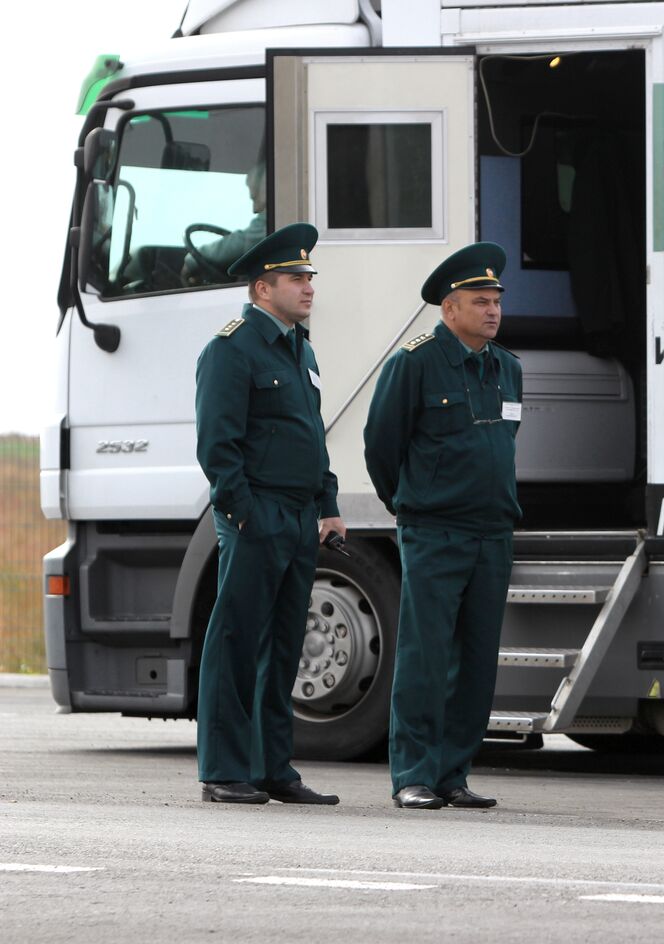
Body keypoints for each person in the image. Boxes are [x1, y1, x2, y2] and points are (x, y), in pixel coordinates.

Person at [363, 242, 523, 810]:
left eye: (496, 301)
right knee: (425, 657)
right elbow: (381, 444)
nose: (493, 310)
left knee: (477, 661)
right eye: (480, 301)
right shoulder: (415, 362)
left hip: (492, 533)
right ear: (449, 308)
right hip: (435, 531)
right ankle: (413, 774)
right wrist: (409, 505)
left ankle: (453, 774)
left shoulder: (507, 367)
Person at [193, 222, 346, 805]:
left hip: (298, 517)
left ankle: (272, 768)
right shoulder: (231, 350)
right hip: (255, 518)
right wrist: (245, 514)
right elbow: (218, 447)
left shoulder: (299, 348)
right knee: (235, 644)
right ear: (263, 289)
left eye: (309, 277)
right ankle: (224, 770)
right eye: (295, 278)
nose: (308, 287)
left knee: (283, 647)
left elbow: (312, 437)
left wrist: (328, 505)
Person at [182, 162, 268, 284]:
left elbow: (243, 241)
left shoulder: (271, 220)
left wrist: (192, 259)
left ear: (266, 192)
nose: (254, 210)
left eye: (254, 198)